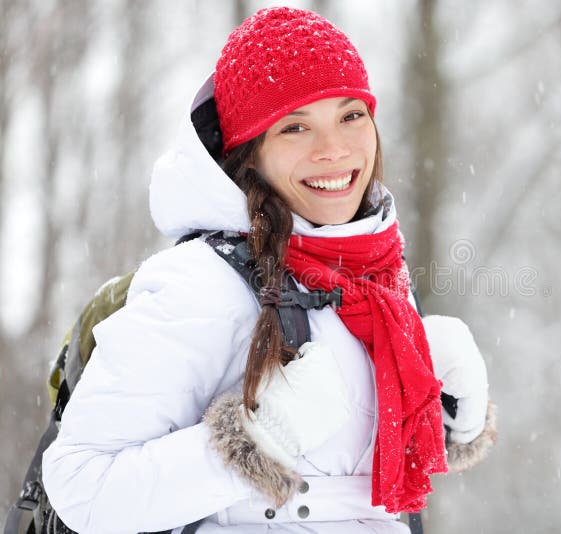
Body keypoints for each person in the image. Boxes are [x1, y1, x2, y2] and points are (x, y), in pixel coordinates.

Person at [41, 7, 496, 533]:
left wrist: (441, 413)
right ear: (249, 154)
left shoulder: (378, 277)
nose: (334, 150)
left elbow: (346, 473)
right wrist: (258, 439)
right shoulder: (200, 284)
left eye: (351, 116)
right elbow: (82, 485)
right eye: (296, 127)